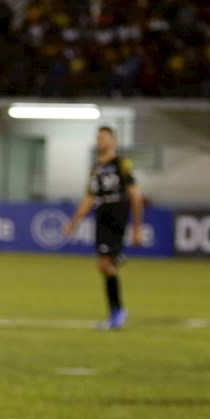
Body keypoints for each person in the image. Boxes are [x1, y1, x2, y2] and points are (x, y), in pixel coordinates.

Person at [63, 126, 144, 330]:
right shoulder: (95, 169)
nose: (100, 141)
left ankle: (117, 313)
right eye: (98, 138)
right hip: (101, 219)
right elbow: (89, 198)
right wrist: (73, 222)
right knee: (103, 265)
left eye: (104, 138)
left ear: (113, 142)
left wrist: (136, 228)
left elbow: (135, 195)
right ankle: (116, 309)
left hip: (117, 217)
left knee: (105, 264)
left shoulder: (121, 165)